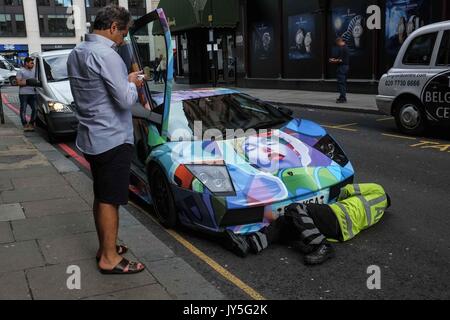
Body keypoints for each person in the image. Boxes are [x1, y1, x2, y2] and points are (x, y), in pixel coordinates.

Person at [67, 4, 145, 275]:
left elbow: (97, 90)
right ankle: (109, 258)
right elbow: (124, 100)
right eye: (123, 33)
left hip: (91, 137)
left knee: (101, 196)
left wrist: (124, 80)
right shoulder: (108, 55)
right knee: (110, 199)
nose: (123, 39)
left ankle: (105, 246)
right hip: (112, 138)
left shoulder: (77, 52)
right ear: (113, 27)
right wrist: (133, 83)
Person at [222, 183, 391, 266]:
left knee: (295, 209)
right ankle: (251, 243)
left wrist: (338, 203)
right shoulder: (380, 214)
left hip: (337, 215)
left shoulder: (378, 189)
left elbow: (347, 189)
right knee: (287, 222)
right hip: (342, 232)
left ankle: (322, 246)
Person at [16, 57, 37, 132]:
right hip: (23, 94)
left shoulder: (35, 70)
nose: (33, 64)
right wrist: (29, 82)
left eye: (33, 63)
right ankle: (25, 125)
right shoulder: (20, 71)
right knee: (23, 110)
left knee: (35, 109)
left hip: (33, 93)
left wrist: (24, 81)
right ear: (26, 63)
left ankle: (31, 124)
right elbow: (18, 82)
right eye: (31, 63)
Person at [329, 37, 349, 104]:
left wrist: (333, 60)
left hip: (342, 67)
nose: (337, 45)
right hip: (344, 67)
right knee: (342, 82)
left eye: (337, 43)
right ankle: (342, 96)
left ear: (339, 42)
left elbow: (341, 60)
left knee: (341, 83)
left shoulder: (343, 48)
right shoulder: (345, 48)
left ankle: (343, 98)